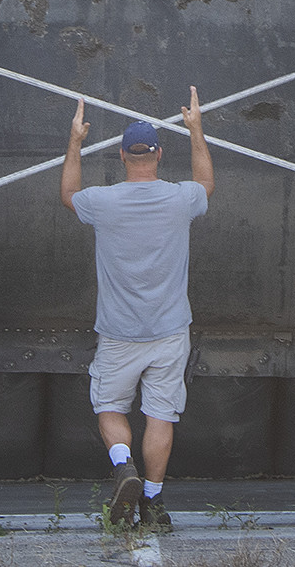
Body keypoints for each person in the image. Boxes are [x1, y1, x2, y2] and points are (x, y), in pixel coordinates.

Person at [63, 89, 211, 532]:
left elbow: (68, 192)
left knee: (109, 405)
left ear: (122, 156)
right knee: (160, 415)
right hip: (169, 332)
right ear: (159, 155)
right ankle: (154, 501)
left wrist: (74, 141)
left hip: (119, 333)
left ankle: (123, 465)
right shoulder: (182, 199)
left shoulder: (101, 203)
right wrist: (196, 130)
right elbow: (206, 184)